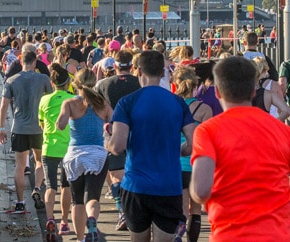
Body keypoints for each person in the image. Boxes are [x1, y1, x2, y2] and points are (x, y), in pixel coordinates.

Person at [190, 56, 290, 241]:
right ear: (253, 91)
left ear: (218, 92)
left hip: (230, 233)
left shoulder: (208, 131)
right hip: (277, 234)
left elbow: (201, 190)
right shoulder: (282, 131)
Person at [106, 50, 195, 242]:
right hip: (168, 186)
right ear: (163, 73)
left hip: (136, 185)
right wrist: (179, 150)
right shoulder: (178, 103)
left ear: (138, 71)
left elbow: (118, 146)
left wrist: (107, 142)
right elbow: (193, 143)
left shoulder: (127, 103)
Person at [57, 68, 113, 242]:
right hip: (97, 154)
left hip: (75, 155)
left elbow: (60, 124)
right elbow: (115, 123)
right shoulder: (103, 104)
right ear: (94, 83)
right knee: (93, 196)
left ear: (75, 84)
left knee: (77, 200)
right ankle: (92, 220)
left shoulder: (69, 103)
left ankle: (81, 238)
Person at [0, 50, 52, 211]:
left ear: (22, 62)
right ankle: (36, 188)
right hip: (39, 128)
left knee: (20, 166)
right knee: (40, 161)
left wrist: (1, 128)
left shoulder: (12, 80)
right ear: (35, 62)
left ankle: (20, 202)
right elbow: (50, 102)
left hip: (19, 128)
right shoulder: (43, 79)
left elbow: (3, 106)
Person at [95, 49, 140, 232]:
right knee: (136, 172)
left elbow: (97, 109)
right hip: (138, 132)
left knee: (115, 176)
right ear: (132, 65)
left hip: (112, 132)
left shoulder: (103, 84)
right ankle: (136, 211)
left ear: (114, 66)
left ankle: (122, 211)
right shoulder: (140, 83)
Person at [172, 66, 212, 242]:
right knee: (195, 211)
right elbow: (209, 140)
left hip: (175, 164)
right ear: (195, 84)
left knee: (181, 210)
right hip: (197, 165)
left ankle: (177, 236)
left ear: (176, 83)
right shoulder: (204, 109)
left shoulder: (171, 105)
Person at [38, 64, 73, 239]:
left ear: (52, 83)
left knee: (50, 186)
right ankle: (65, 221)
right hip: (68, 148)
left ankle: (50, 218)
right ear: (68, 83)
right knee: (66, 186)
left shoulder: (44, 100)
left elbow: (41, 123)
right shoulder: (74, 99)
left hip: (49, 147)